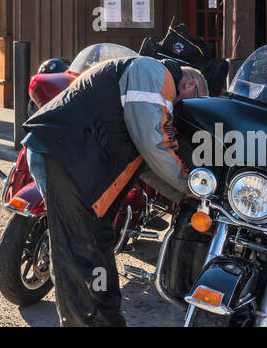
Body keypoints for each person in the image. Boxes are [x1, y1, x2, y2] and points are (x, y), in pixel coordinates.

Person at [22, 55, 205, 326]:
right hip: (66, 158)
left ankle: (107, 321)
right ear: (189, 84)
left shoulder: (149, 90)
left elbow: (148, 165)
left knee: (97, 246)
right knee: (78, 256)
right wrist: (194, 186)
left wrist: (190, 197)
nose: (188, 108)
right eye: (197, 98)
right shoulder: (152, 72)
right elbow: (155, 143)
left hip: (76, 164)